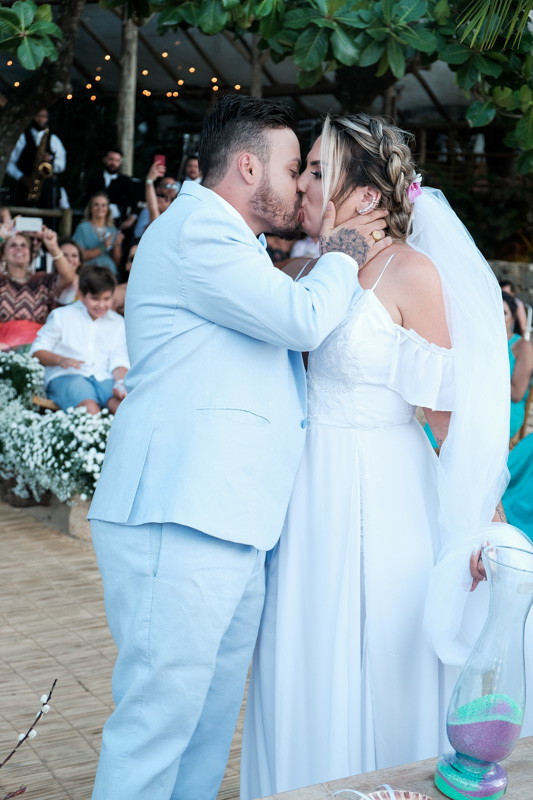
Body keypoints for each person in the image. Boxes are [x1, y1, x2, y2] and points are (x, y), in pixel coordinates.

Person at [87, 95, 392, 800]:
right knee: (158, 721)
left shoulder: (240, 246)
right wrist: (343, 248)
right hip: (179, 511)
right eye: (293, 169)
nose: (300, 186)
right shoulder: (199, 231)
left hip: (229, 517)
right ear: (248, 166)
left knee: (204, 723)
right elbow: (301, 319)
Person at [240, 113, 529, 799]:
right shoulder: (313, 266)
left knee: (377, 655)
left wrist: (482, 522)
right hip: (305, 491)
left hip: (383, 494)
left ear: (365, 196)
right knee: (304, 654)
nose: (302, 183)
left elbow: (449, 417)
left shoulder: (409, 273)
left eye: (315, 169)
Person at [30, 265, 128, 413]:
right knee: (90, 408)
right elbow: (37, 350)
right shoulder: (61, 316)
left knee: (123, 407)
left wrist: (120, 383)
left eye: (106, 299)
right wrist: (60, 360)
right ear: (81, 295)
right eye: (95, 299)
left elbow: (119, 359)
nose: (101, 305)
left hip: (103, 377)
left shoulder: (118, 322)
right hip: (67, 376)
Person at [0, 223, 76, 350]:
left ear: (30, 253)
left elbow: (68, 277)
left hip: (38, 350)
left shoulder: (43, 280)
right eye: (13, 245)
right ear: (3, 255)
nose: (19, 249)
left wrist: (53, 246)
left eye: (23, 245)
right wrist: (1, 238)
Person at [6, 109, 67, 209]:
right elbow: (9, 163)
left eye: (44, 116)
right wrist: (21, 177)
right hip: (25, 189)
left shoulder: (53, 139)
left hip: (47, 192)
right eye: (38, 116)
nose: (41, 119)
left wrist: (50, 159)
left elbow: (62, 166)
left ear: (47, 119)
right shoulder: (23, 137)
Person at [85, 148, 142, 229]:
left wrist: (132, 218)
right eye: (111, 159)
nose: (113, 163)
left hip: (118, 223)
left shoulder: (126, 181)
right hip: (94, 220)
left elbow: (135, 202)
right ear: (105, 159)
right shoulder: (94, 178)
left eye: (117, 160)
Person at [503, 290, 533, 439]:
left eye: (504, 313)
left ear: (513, 318)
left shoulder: (523, 346)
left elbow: (516, 394)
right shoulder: (482, 344)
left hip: (506, 411)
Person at [73, 192, 123, 274]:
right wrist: (103, 247)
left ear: (108, 209)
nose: (100, 208)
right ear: (90, 208)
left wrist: (117, 245)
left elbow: (117, 262)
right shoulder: (83, 228)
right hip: (90, 272)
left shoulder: (113, 231)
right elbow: (80, 256)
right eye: (96, 204)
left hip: (110, 272)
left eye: (103, 205)